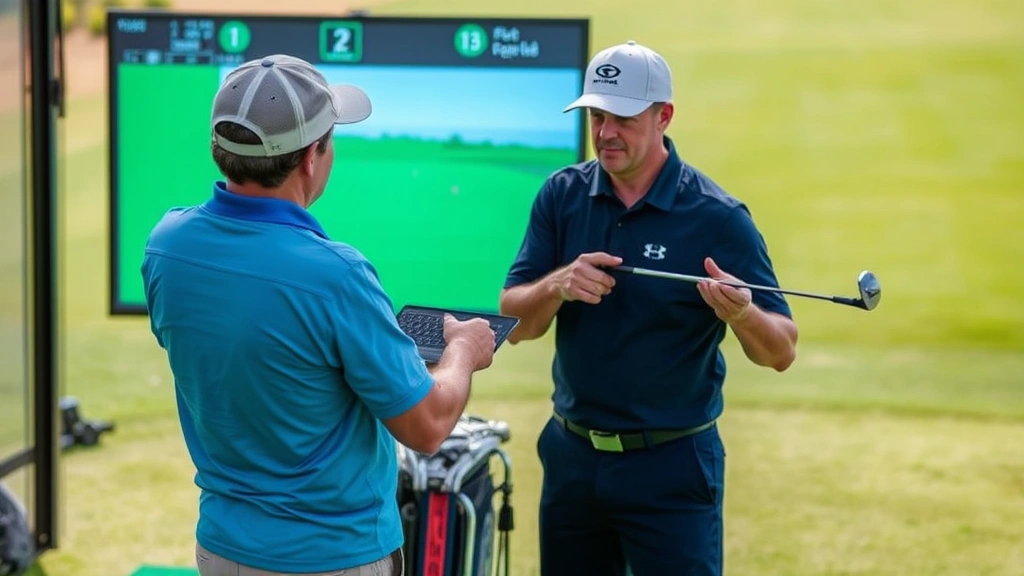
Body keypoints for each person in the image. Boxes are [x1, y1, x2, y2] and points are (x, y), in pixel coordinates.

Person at [141, 54, 496, 576]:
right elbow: (427, 425)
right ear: (312, 157)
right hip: (332, 557)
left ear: (220, 149)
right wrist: (463, 351)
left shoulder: (166, 246)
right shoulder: (337, 275)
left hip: (221, 551)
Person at [499, 40, 799, 576]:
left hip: (673, 467)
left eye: (623, 118)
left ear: (664, 116)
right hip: (574, 459)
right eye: (596, 115)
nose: (605, 133)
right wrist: (557, 285)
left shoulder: (718, 217)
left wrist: (741, 315)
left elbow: (780, 350)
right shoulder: (561, 195)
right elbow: (514, 321)